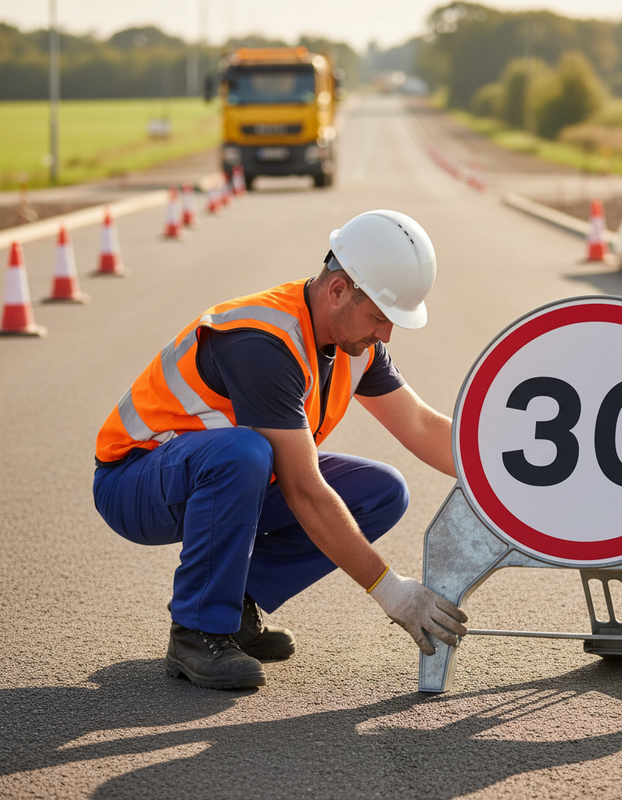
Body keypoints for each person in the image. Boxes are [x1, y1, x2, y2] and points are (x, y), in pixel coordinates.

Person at [93, 209, 468, 690]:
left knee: (381, 491)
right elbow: (304, 490)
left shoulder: (356, 344)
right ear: (338, 290)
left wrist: (505, 477)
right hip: (135, 481)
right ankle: (198, 630)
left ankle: (234, 603)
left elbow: (422, 426)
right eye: (380, 317)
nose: (386, 333)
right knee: (243, 453)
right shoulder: (262, 339)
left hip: (219, 473)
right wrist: (392, 592)